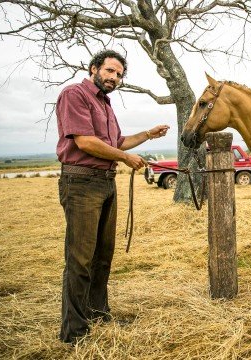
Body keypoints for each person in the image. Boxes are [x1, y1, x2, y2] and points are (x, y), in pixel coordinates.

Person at [56, 49, 170, 344]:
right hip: (81, 182)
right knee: (80, 258)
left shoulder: (105, 105)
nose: (114, 78)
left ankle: (97, 312)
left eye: (119, 75)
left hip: (106, 182)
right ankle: (74, 331)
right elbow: (85, 142)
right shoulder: (75, 94)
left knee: (102, 255)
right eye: (109, 71)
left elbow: (117, 142)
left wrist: (148, 134)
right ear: (94, 68)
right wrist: (124, 157)